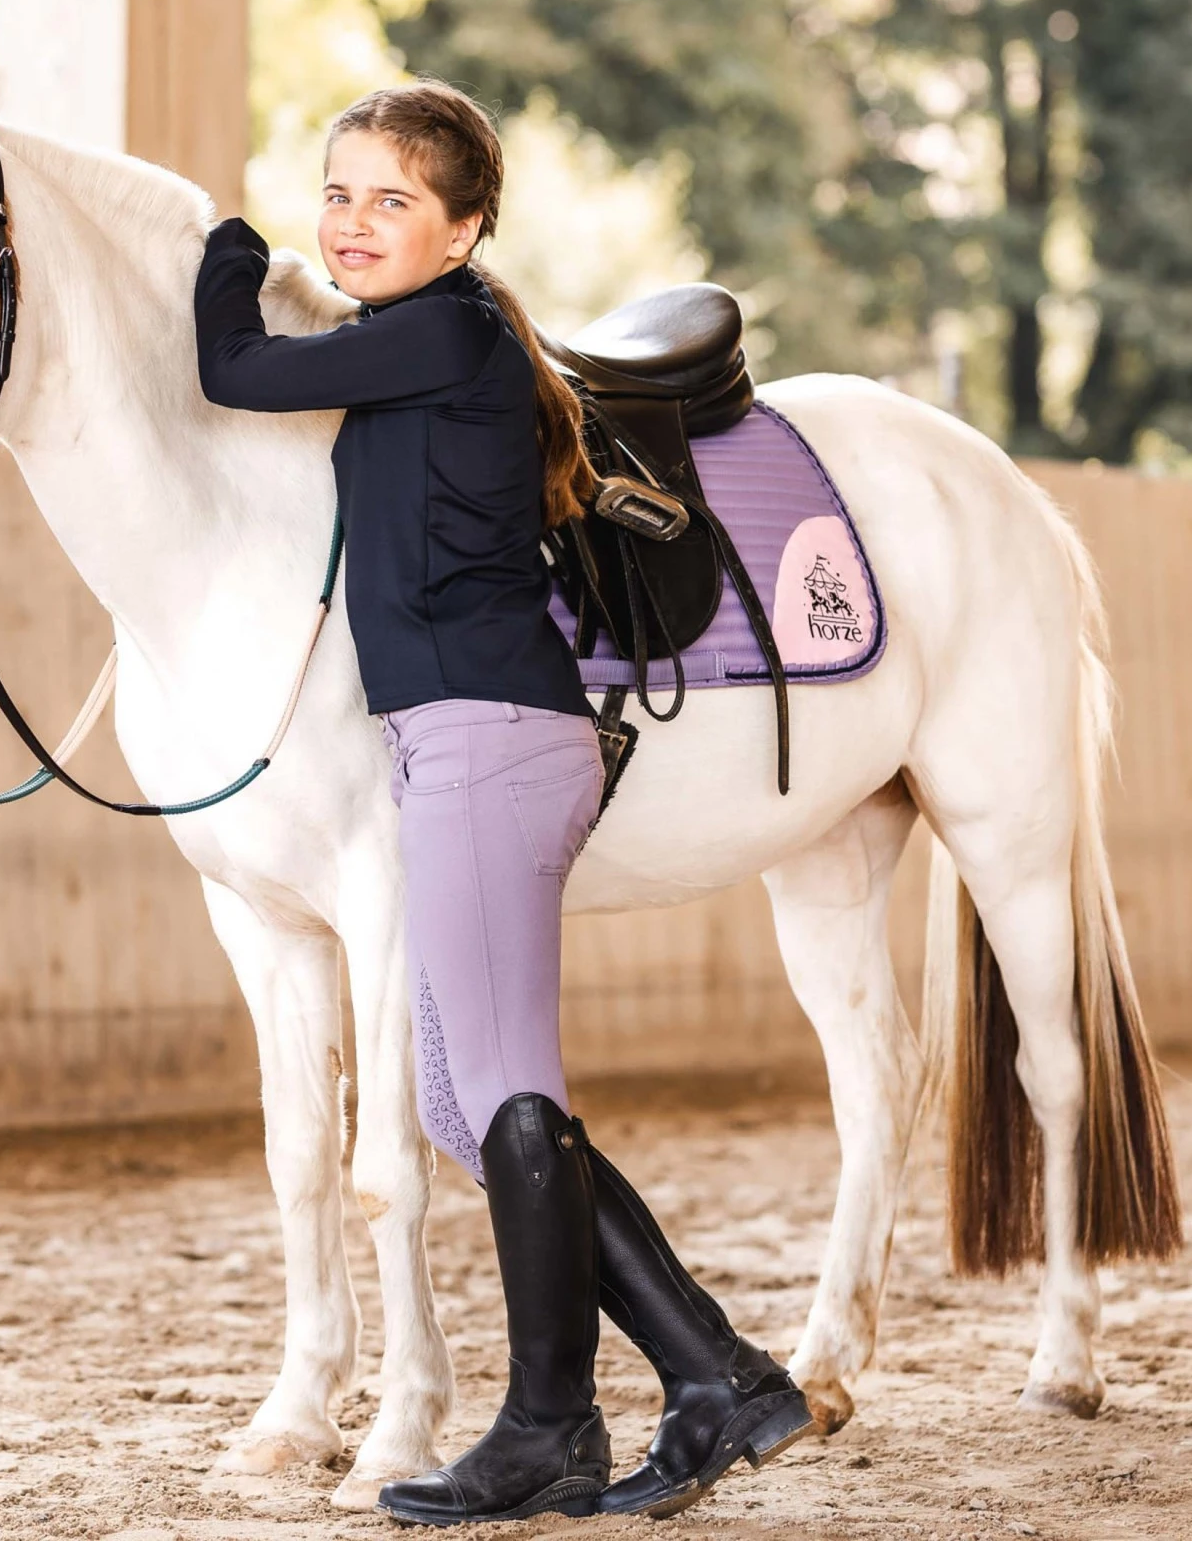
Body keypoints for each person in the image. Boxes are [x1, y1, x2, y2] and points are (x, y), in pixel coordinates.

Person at [191, 78, 813, 1526]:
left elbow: (230, 366)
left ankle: (551, 1424)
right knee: (468, 1116)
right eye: (335, 192)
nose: (352, 223)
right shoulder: (431, 337)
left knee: (515, 1096)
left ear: (466, 228)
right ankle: (718, 1374)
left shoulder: (442, 332)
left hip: (488, 741)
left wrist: (219, 239)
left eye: (393, 200)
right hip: (451, 744)